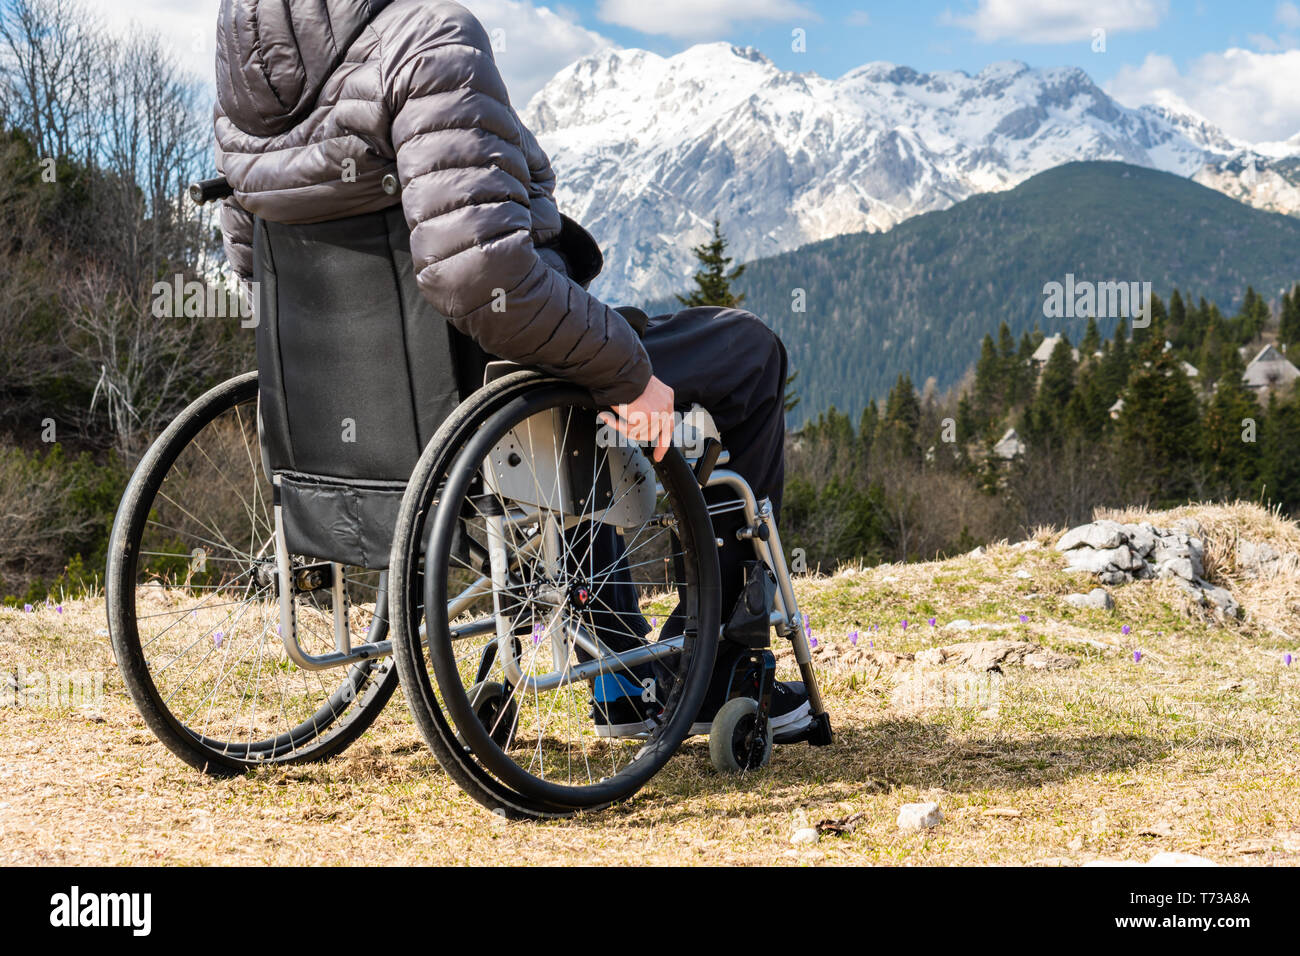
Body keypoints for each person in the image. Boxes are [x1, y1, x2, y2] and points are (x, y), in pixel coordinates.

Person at [213, 0, 811, 739]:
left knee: (555, 388)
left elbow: (253, 256)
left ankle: (623, 672)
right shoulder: (429, 39)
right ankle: (714, 665)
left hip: (355, 410)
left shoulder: (245, 61)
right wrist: (627, 373)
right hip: (479, 377)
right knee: (746, 351)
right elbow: (480, 276)